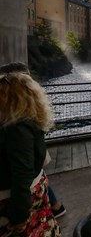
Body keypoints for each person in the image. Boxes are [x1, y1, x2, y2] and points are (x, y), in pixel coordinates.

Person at [0, 71, 62, 236]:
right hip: (33, 188)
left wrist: (18, 216)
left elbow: (22, 173)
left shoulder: (17, 128)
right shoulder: (28, 121)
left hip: (16, 198)